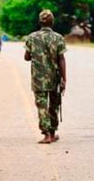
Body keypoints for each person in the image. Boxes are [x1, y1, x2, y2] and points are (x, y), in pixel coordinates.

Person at [24, 10, 67, 144]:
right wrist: (64, 78)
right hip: (54, 77)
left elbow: (26, 57)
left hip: (38, 77)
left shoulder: (31, 37)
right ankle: (53, 133)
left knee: (42, 105)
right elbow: (61, 59)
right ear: (52, 22)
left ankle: (46, 134)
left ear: (39, 22)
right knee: (54, 105)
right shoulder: (58, 37)